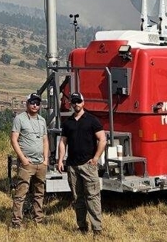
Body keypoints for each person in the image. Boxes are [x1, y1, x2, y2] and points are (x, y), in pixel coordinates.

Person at [57, 92, 107, 235]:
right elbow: (63, 142)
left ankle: (97, 229)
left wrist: (96, 158)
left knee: (92, 197)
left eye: (78, 101)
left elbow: (102, 140)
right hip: (72, 165)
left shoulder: (92, 120)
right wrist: (60, 160)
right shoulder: (68, 123)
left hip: (88, 165)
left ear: (83, 102)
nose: (76, 104)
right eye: (73, 102)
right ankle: (82, 227)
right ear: (71, 104)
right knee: (77, 198)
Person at [10, 92, 49, 228]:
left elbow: (45, 140)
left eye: (37, 103)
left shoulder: (42, 120)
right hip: (27, 164)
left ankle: (38, 220)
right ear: (27, 103)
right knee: (21, 193)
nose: (35, 105)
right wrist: (22, 159)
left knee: (39, 193)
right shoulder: (20, 119)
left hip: (41, 163)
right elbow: (14, 140)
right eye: (32, 102)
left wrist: (46, 160)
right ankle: (16, 222)